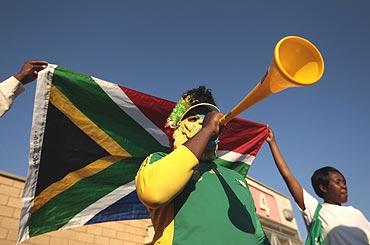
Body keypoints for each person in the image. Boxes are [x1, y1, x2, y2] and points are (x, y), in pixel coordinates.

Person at [135, 86, 270, 245]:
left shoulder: (237, 178)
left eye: (207, 118)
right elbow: (154, 193)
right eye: (193, 119)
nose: (203, 122)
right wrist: (206, 130)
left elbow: (259, 236)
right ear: (178, 130)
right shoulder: (159, 159)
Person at [266, 128, 370, 244]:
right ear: (323, 188)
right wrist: (273, 143)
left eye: (344, 182)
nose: (344, 186)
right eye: (338, 182)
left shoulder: (356, 213)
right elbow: (288, 176)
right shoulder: (317, 211)